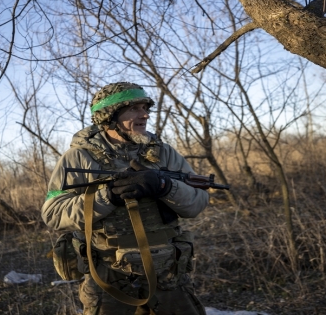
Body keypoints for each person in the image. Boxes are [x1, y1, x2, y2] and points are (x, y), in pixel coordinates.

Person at [41, 82, 208, 315]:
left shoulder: (163, 152)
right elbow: (53, 213)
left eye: (145, 108)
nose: (145, 115)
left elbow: (197, 204)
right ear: (109, 117)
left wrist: (164, 186)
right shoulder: (78, 157)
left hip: (169, 273)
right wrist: (108, 197)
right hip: (109, 276)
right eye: (134, 109)